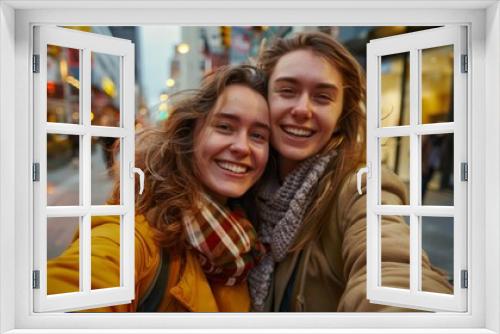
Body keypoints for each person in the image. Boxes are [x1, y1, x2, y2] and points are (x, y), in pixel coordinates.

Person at [248, 32, 452, 312]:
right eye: (287, 91)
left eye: (322, 97)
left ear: (342, 115)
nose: (302, 109)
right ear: (263, 100)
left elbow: (392, 269)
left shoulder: (361, 188)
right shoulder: (245, 187)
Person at [47, 65, 271, 312]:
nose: (242, 147)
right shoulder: (133, 238)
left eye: (258, 135)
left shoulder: (250, 235)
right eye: (225, 127)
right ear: (190, 133)